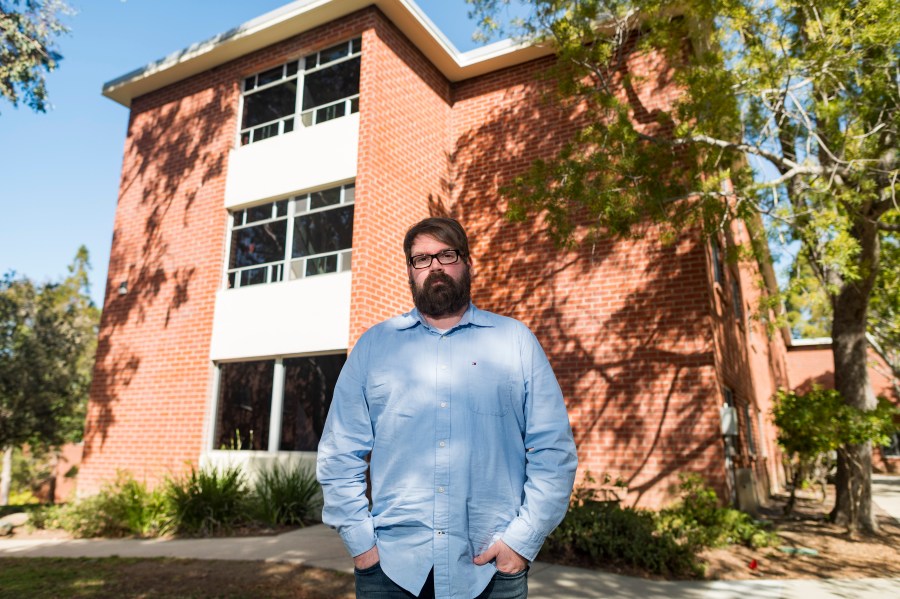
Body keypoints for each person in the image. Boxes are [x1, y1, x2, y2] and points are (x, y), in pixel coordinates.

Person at [317, 217, 578, 599]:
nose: (434, 266)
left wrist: (521, 543)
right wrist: (362, 546)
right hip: (391, 571)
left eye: (446, 254)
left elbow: (553, 451)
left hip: (491, 571)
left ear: (467, 263)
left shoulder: (515, 342)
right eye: (421, 259)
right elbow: (339, 452)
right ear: (410, 270)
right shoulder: (374, 346)